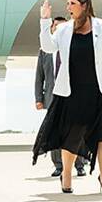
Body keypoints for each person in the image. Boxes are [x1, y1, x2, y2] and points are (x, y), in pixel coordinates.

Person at [33, 0, 102, 194]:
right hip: (72, 93)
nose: (68, 7)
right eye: (67, 4)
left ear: (84, 5)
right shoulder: (63, 29)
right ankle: (66, 176)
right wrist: (44, 20)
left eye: (72, 3)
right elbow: (47, 47)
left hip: (101, 92)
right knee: (71, 137)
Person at [35, 14, 86, 178]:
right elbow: (40, 76)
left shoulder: (75, 46)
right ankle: (59, 166)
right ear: (52, 29)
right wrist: (38, 98)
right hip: (53, 97)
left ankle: (79, 165)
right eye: (56, 27)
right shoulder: (45, 51)